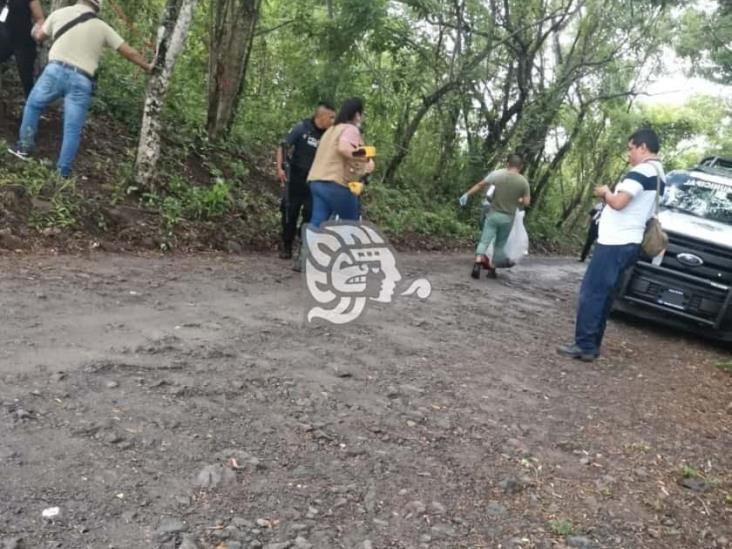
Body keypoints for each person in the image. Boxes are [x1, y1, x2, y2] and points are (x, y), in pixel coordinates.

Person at [7, 0, 152, 177]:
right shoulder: (102, 27)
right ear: (97, 6)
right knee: (72, 128)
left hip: (54, 71)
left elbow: (40, 36)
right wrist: (149, 67)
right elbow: (129, 52)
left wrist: (34, 30)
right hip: (82, 80)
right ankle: (63, 171)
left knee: (33, 105)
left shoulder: (60, 14)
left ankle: (24, 147)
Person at [558, 128, 665, 362]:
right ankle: (592, 343)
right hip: (630, 243)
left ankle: (584, 345)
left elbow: (619, 202)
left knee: (592, 292)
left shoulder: (642, 171)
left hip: (615, 243)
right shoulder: (659, 175)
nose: (629, 154)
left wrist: (605, 192)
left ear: (643, 147)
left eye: (631, 149)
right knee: (605, 295)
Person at [275, 102, 336, 260]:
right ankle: (286, 245)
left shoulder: (329, 135)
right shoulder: (302, 128)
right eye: (331, 117)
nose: (333, 120)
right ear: (321, 116)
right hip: (295, 179)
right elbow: (283, 146)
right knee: (289, 213)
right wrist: (280, 169)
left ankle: (303, 249)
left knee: (311, 215)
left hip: (315, 182)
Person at [306, 97, 375, 228]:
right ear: (357, 114)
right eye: (362, 114)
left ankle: (309, 247)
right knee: (352, 225)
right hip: (336, 183)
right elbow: (343, 148)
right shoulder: (350, 129)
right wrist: (366, 159)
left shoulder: (330, 130)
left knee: (317, 223)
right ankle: (352, 247)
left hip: (317, 181)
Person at [459, 154, 530, 279]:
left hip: (493, 215)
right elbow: (526, 202)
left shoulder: (497, 175)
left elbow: (480, 185)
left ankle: (477, 263)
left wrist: (467, 194)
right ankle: (492, 270)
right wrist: (518, 199)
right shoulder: (523, 182)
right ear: (521, 166)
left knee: (484, 241)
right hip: (507, 218)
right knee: (499, 245)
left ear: (508, 164)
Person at [0, 0, 45, 97]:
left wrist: (38, 34)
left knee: (27, 79)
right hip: (3, 40)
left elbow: (40, 19)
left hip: (24, 42)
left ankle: (31, 106)